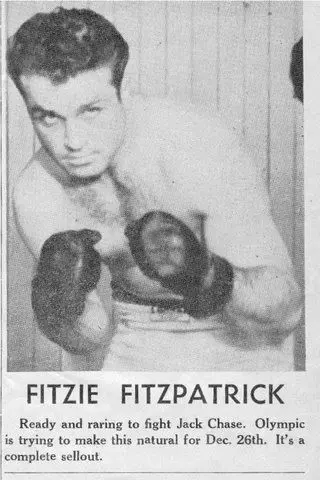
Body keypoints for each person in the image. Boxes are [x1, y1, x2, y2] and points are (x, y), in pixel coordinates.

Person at [8, 7, 302, 371]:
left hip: (248, 336)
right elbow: (89, 337)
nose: (73, 141)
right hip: (138, 332)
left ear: (124, 92)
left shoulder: (195, 143)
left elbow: (284, 311)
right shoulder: (38, 192)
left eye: (90, 111)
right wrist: (59, 306)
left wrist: (205, 275)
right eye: (48, 117)